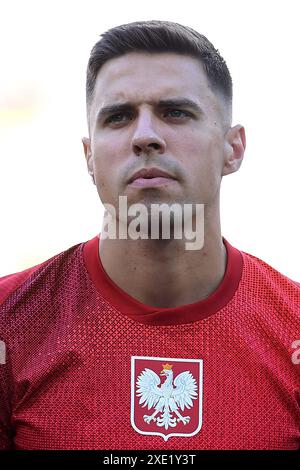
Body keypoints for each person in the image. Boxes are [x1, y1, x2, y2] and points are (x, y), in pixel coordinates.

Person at [0, 20, 299, 451]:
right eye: (119, 117)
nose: (145, 137)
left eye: (175, 112)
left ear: (233, 149)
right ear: (89, 157)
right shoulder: (12, 324)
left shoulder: (292, 331)